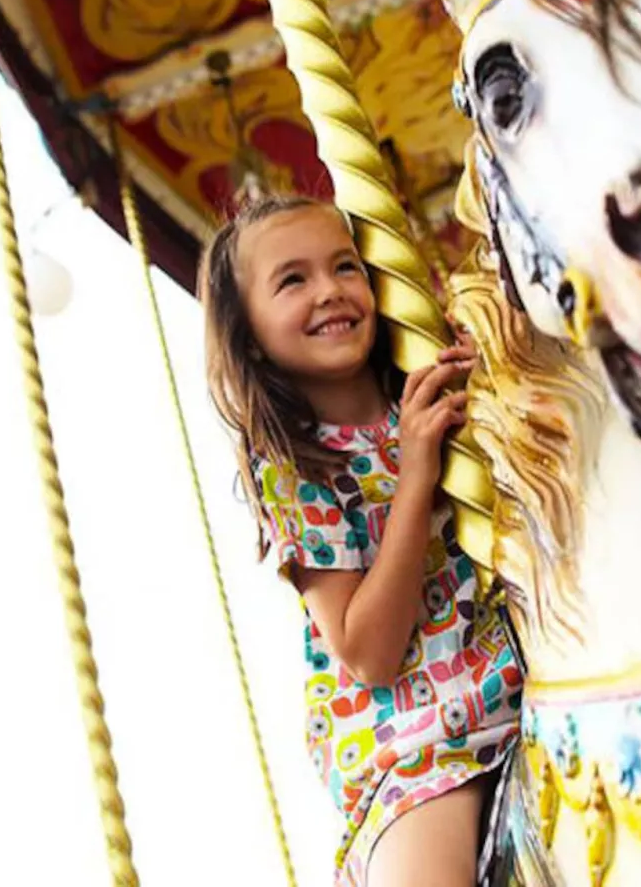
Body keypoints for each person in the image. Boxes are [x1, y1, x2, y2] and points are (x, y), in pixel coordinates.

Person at [200, 193, 522, 887]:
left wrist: (500, 376)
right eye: (293, 280)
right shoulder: (294, 471)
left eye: (345, 266)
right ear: (249, 334)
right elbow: (368, 652)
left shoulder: (431, 392)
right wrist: (416, 473)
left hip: (531, 671)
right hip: (423, 743)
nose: (330, 290)